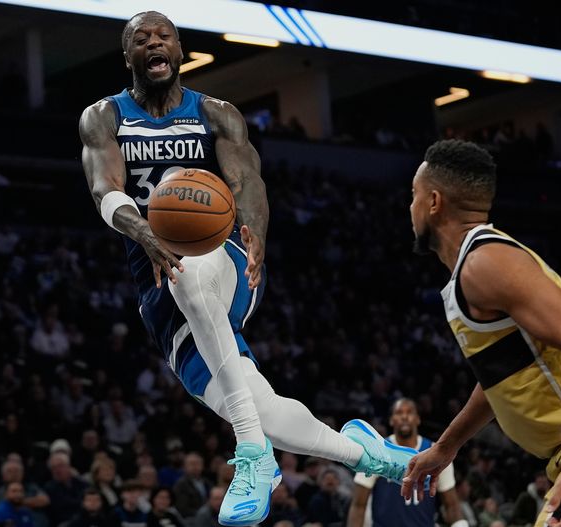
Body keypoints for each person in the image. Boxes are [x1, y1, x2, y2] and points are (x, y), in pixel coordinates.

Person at [79, 10, 415, 525]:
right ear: (128, 56)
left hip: (226, 257)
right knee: (259, 406)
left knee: (189, 270)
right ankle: (365, 453)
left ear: (180, 50)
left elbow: (247, 182)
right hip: (155, 278)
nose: (154, 43)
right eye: (141, 39)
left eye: (164, 36)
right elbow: (104, 188)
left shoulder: (216, 113)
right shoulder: (104, 117)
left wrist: (255, 230)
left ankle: (253, 455)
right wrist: (145, 232)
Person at [401, 139, 561, 527]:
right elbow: (503, 382)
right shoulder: (478, 266)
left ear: (434, 202)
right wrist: (446, 447)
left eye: (414, 195)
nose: (410, 207)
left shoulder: (484, 263)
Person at [348, 399, 465, 527]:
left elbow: (451, 504)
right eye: (399, 413)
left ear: (418, 419)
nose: (404, 416)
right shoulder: (375, 451)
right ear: (391, 420)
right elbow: (358, 505)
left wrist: (461, 524)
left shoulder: (436, 453)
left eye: (409, 412)